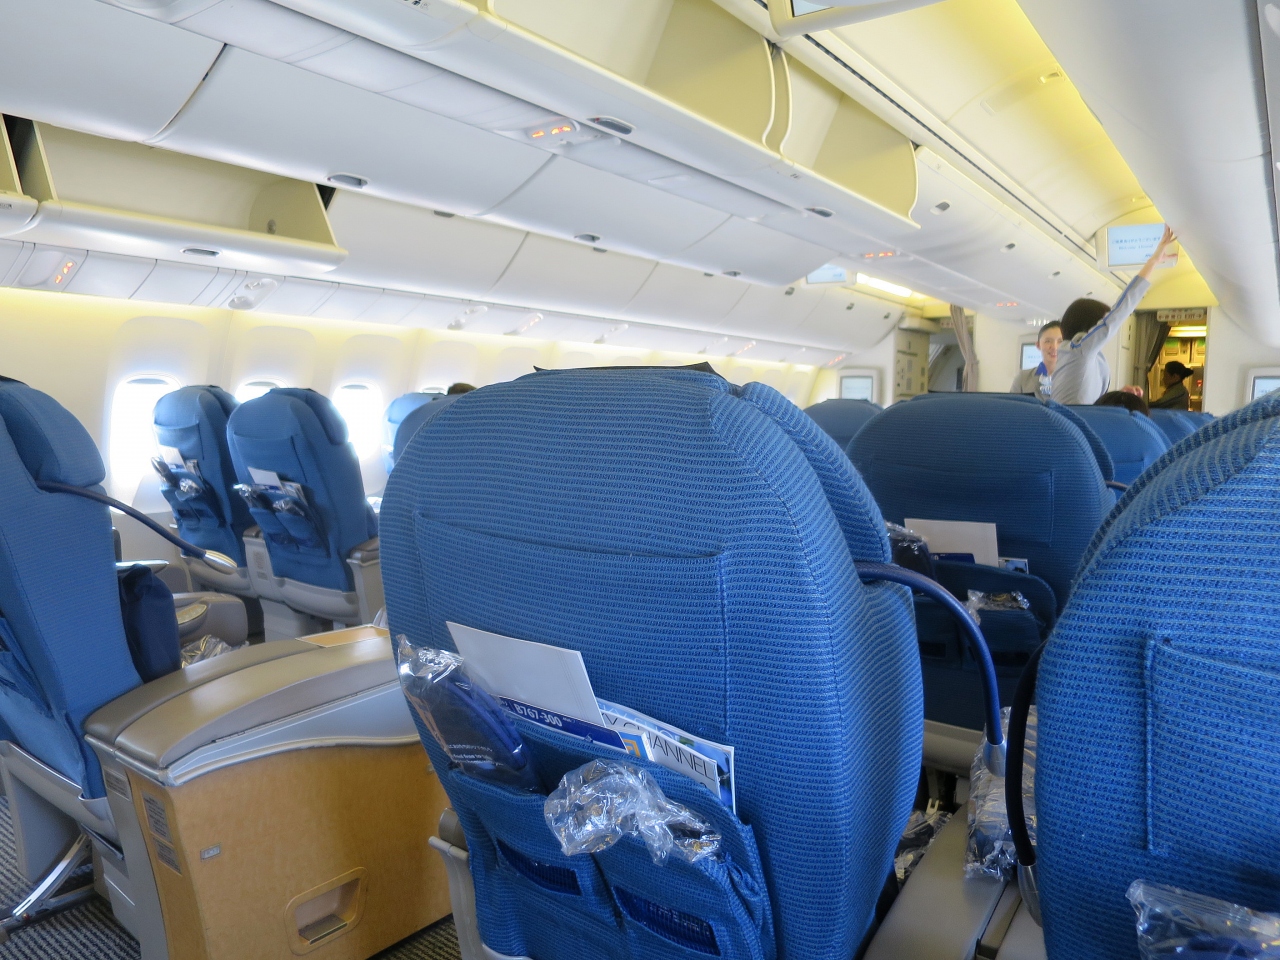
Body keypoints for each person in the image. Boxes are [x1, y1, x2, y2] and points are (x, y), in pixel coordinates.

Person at [1052, 225, 1179, 405]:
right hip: (1071, 423)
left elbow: (1086, 399)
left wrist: (1118, 395)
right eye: (1102, 320)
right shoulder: (1079, 350)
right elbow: (1121, 310)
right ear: (1091, 324)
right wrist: (1152, 262)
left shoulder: (1082, 354)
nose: (1107, 325)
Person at [1010, 321, 1062, 401]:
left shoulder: (1074, 380)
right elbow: (1012, 406)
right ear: (1038, 345)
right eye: (1048, 341)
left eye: (1060, 341)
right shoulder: (1023, 379)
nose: (1054, 347)